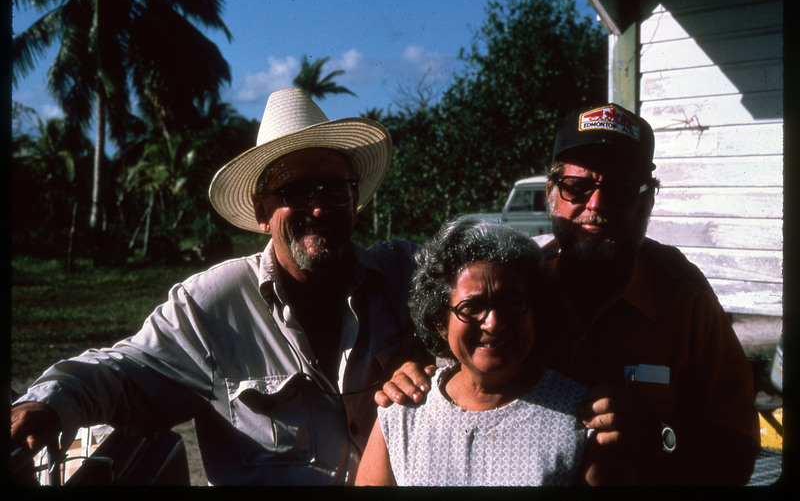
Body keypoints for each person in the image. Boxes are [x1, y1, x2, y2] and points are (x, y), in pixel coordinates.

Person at [11, 88, 426, 485]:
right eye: (294, 191)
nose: (317, 207)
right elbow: (122, 372)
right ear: (263, 213)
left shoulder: (405, 274)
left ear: (354, 203)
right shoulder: (213, 304)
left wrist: (438, 370)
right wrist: (48, 402)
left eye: (334, 189)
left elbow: (484, 310)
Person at [375, 103, 760, 485]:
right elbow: (453, 362)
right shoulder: (511, 283)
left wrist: (659, 436)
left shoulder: (686, 303)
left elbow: (739, 456)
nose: (597, 205)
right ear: (551, 194)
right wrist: (411, 378)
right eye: (577, 187)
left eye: (622, 189)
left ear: (648, 200)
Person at [356, 216, 608, 486]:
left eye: (512, 303)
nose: (494, 323)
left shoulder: (581, 419)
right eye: (472, 307)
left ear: (536, 310)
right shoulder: (403, 416)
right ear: (441, 321)